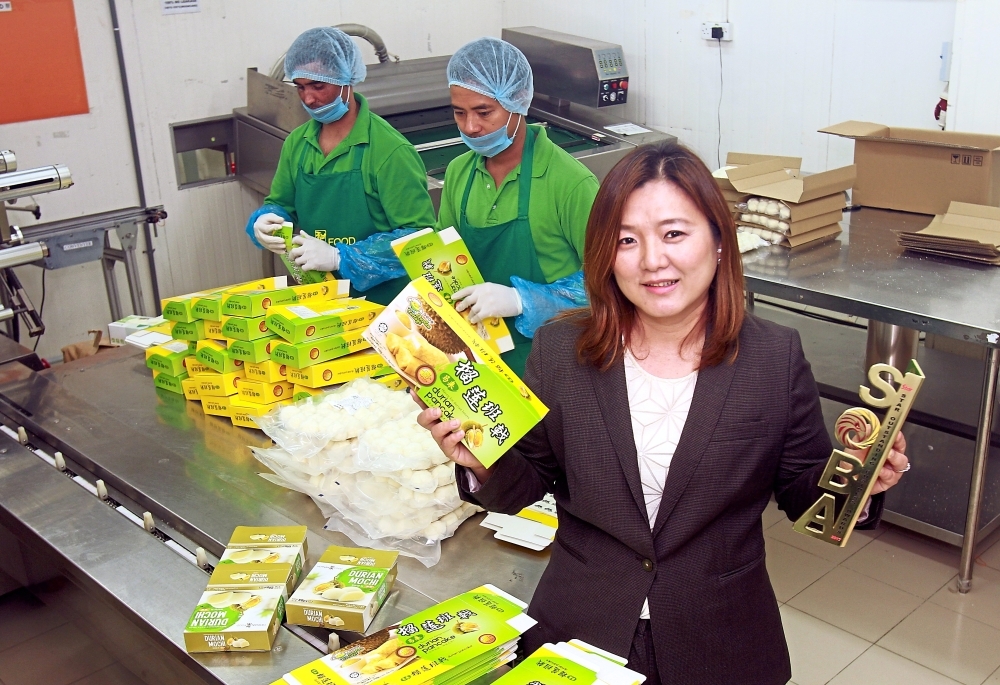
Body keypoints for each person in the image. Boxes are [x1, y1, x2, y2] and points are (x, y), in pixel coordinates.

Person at [418, 143, 910, 685]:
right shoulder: (562, 350)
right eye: (627, 240)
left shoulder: (773, 357)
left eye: (674, 233)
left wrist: (861, 481)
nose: (653, 260)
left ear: (719, 240)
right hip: (582, 631)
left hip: (720, 638)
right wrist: (479, 460)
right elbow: (531, 477)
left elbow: (801, 491)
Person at [437, 37, 598, 376]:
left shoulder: (570, 183)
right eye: (459, 112)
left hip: (556, 362)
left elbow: (611, 285)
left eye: (484, 112)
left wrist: (522, 300)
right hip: (478, 359)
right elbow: (445, 261)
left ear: (518, 102)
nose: (470, 127)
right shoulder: (459, 173)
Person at [245, 27, 436, 305]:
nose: (309, 98)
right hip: (323, 300)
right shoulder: (298, 143)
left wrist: (340, 257)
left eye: (318, 86)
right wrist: (265, 221)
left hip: (383, 307)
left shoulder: (389, 151)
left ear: (347, 80)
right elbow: (281, 204)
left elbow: (419, 239)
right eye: (300, 87)